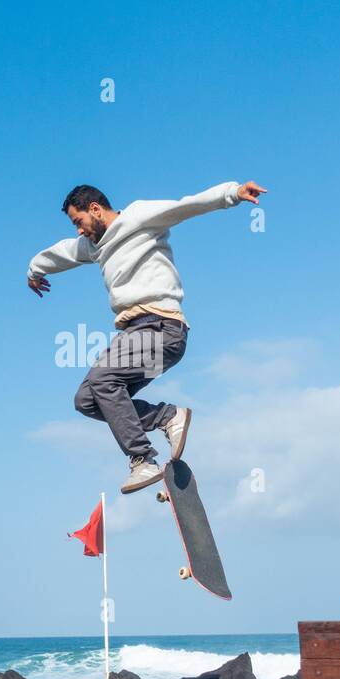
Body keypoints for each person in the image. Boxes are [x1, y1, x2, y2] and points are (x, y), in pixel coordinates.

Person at [27, 179, 267, 492]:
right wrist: (35, 270)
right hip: (140, 336)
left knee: (102, 380)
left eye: (79, 221)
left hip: (162, 328)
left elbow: (186, 205)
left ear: (96, 209)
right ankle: (167, 417)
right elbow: (63, 253)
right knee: (87, 400)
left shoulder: (138, 217)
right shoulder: (94, 245)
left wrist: (232, 193)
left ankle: (142, 460)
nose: (79, 231)